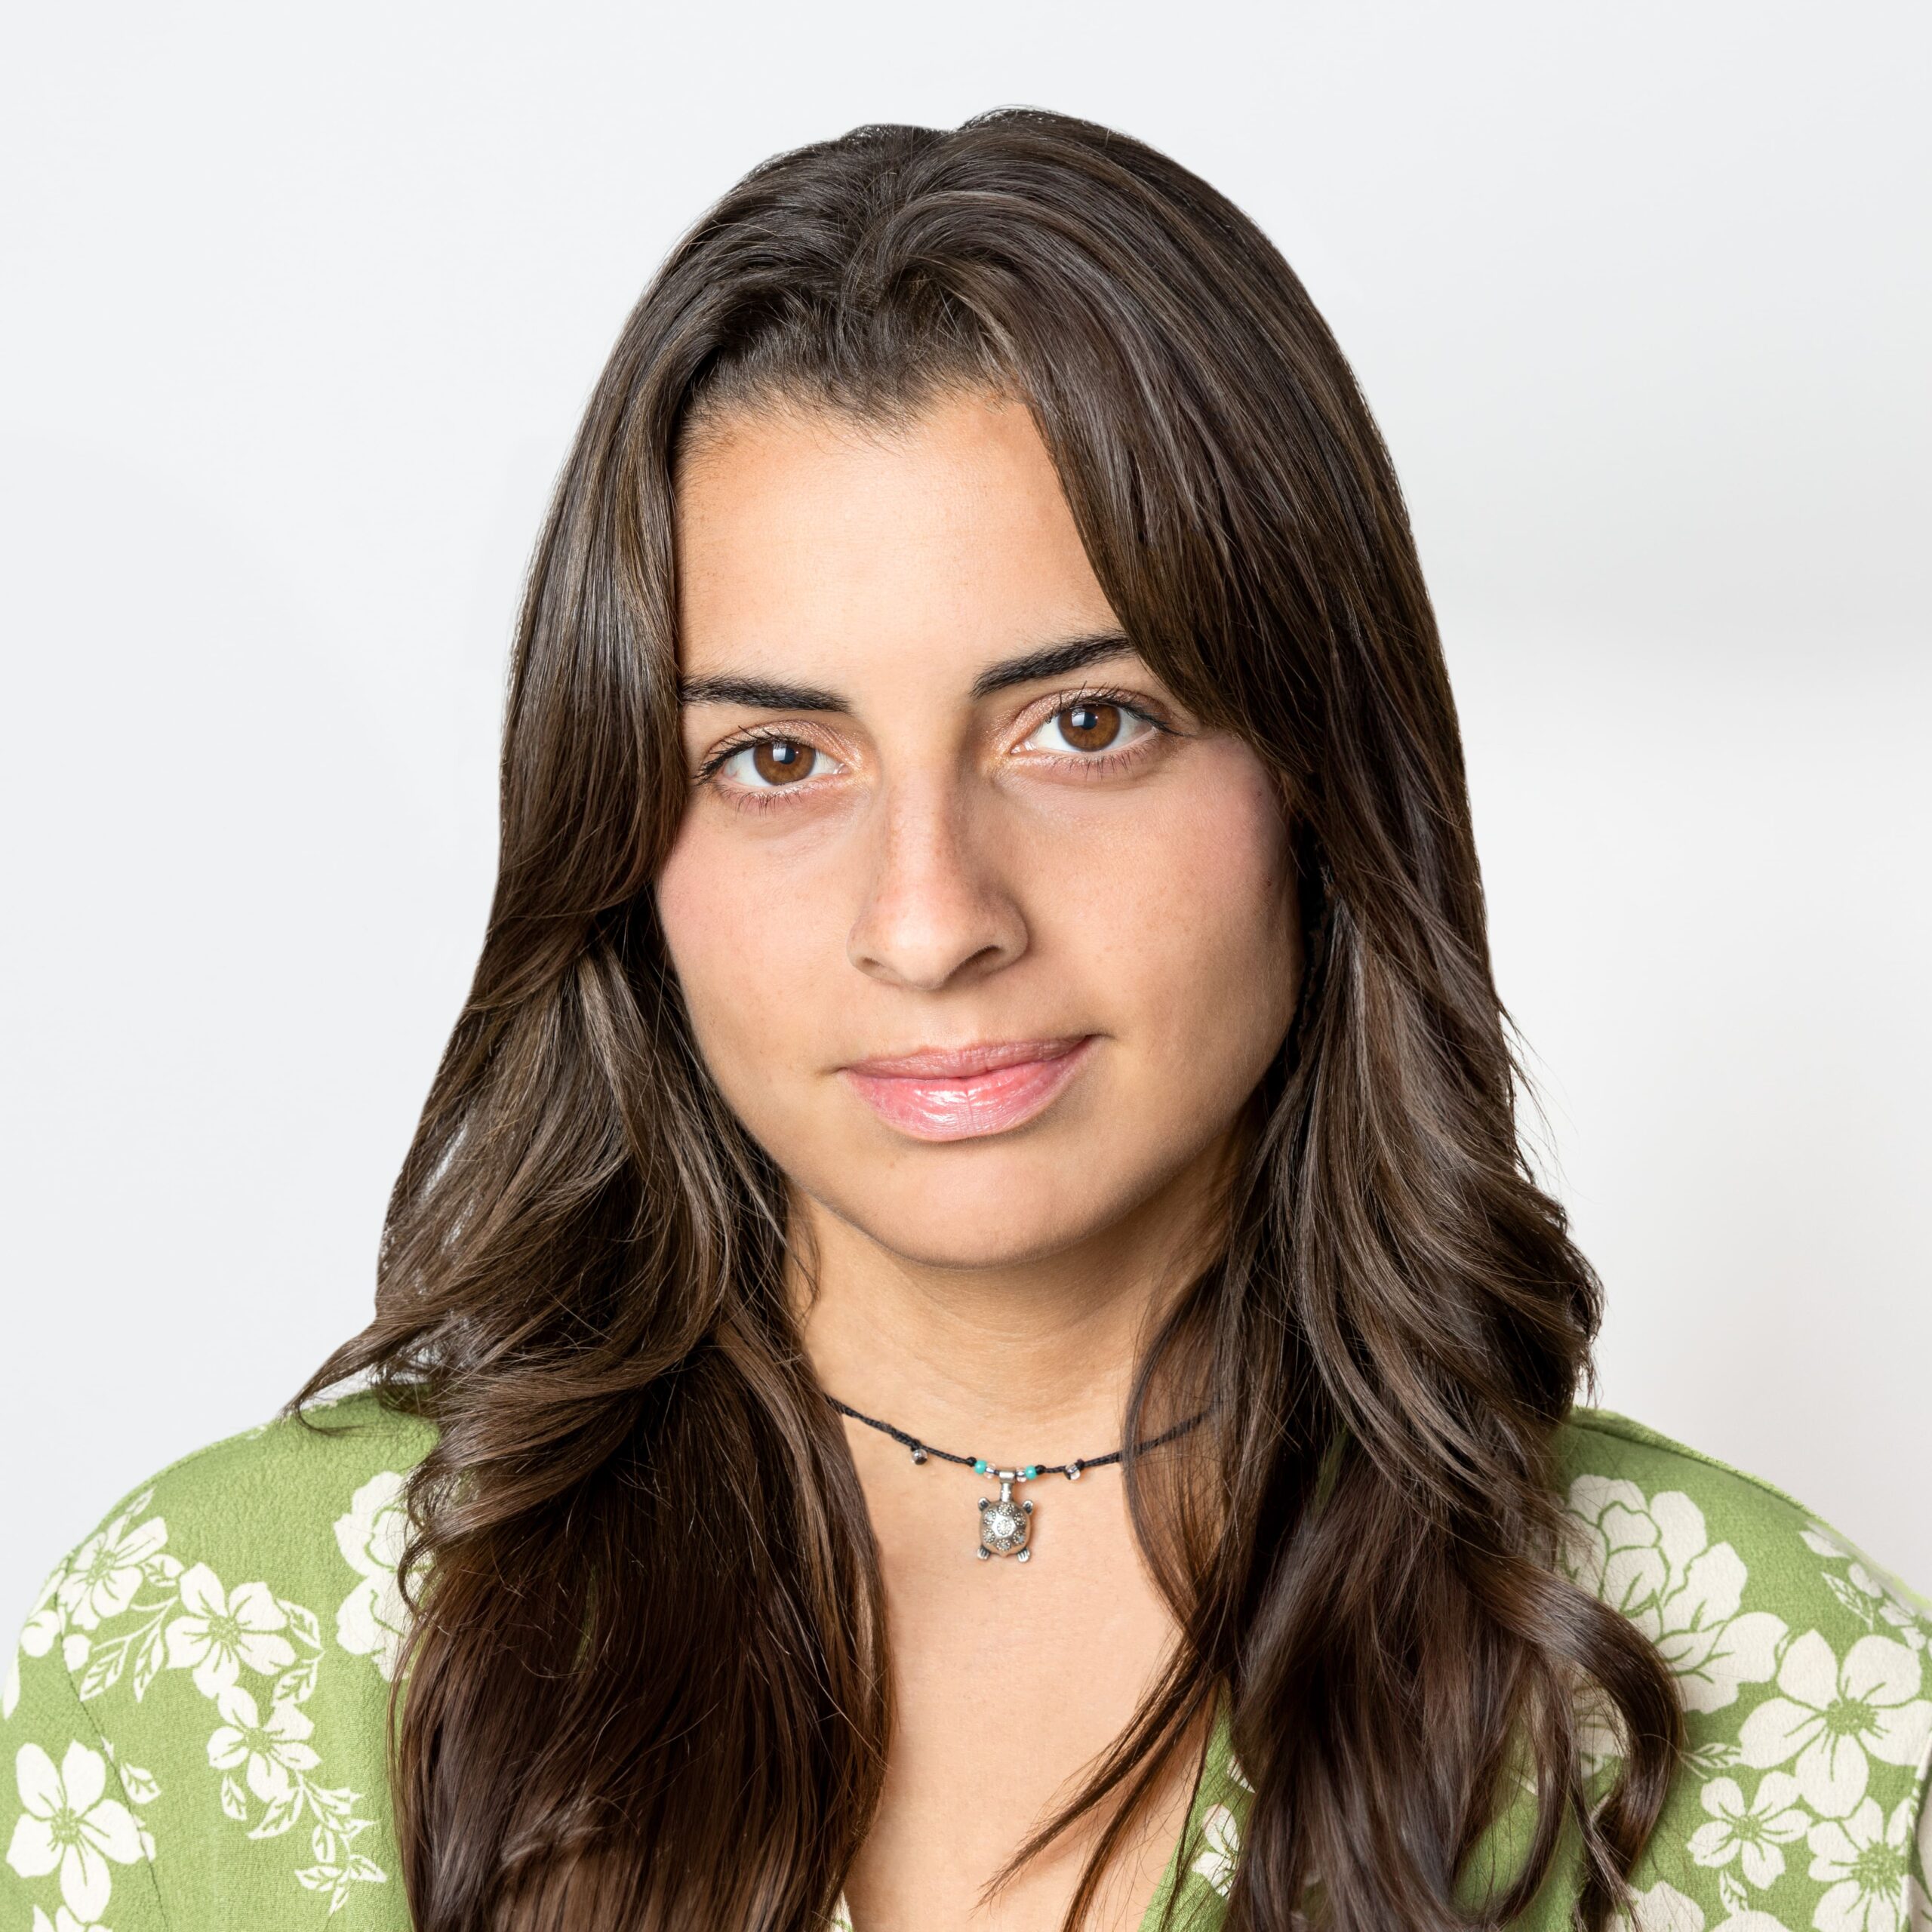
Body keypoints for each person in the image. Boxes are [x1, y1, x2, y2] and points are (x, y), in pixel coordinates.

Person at [4, 107, 1927, 1932]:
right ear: (624, 841)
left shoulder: (1795, 1705)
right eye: (776, 758)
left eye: (1084, 725)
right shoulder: (220, 1654)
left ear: (1319, 775)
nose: (929, 921)